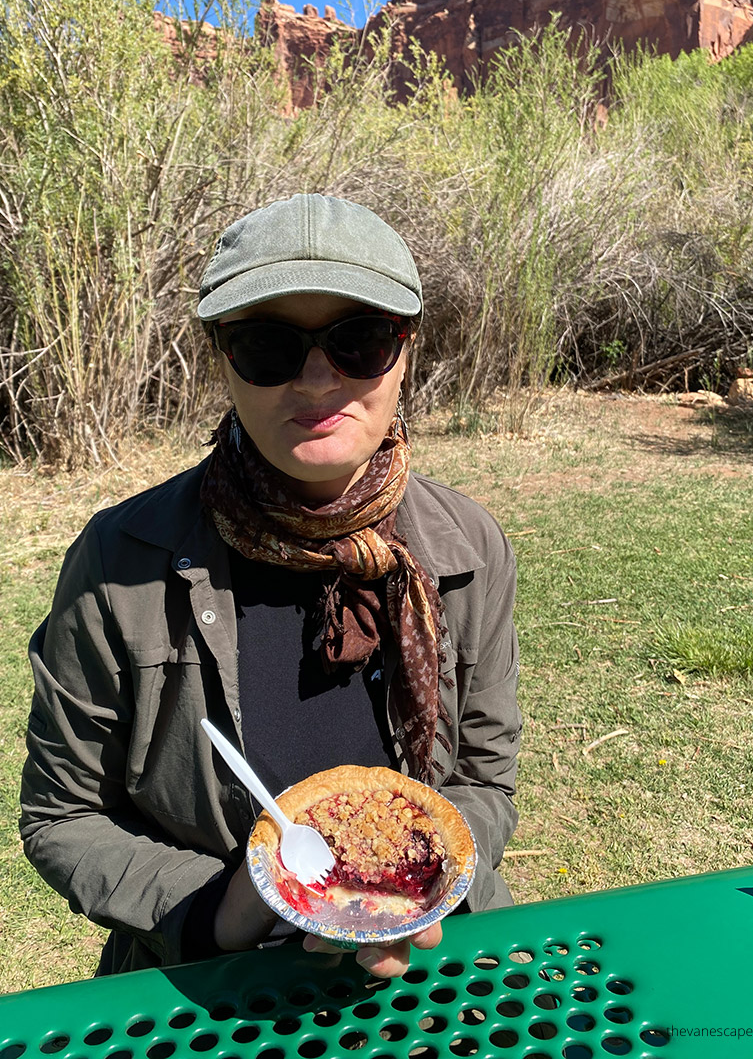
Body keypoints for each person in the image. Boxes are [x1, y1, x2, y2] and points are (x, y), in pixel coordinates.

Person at [20, 193, 522, 980]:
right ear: (221, 356)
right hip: (210, 984)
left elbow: (484, 781)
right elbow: (64, 814)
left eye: (359, 341)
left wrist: (423, 886)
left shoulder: (469, 549)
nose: (318, 380)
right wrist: (223, 911)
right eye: (267, 346)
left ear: (407, 348)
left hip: (434, 965)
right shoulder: (121, 562)